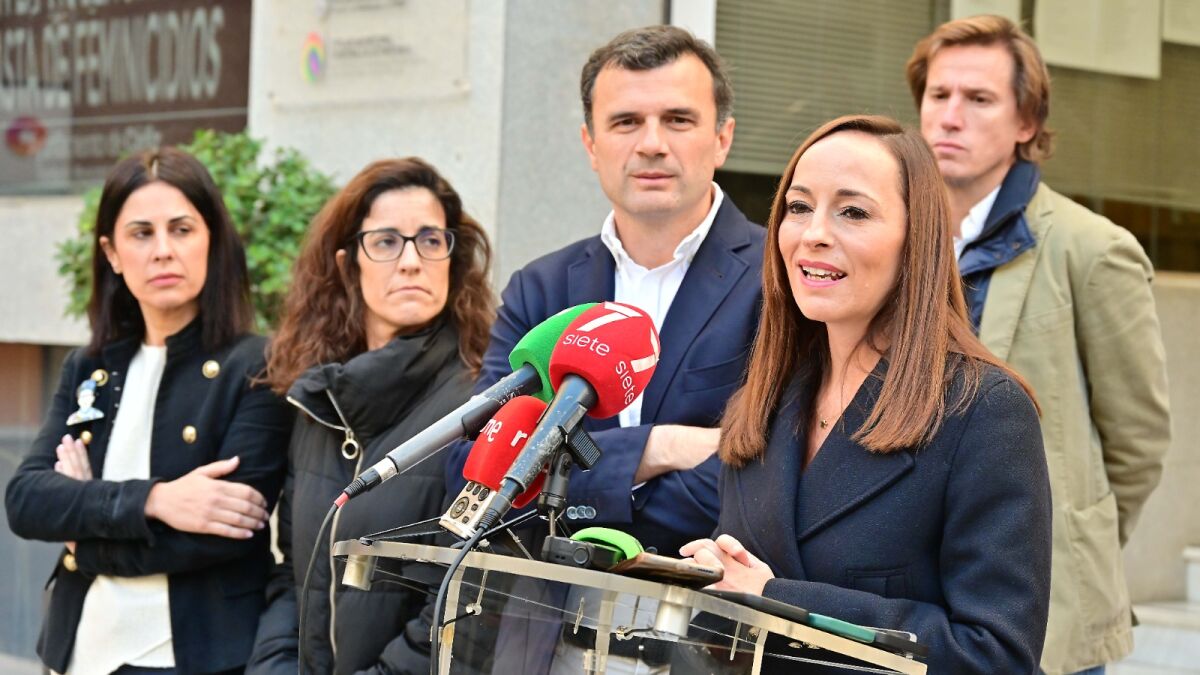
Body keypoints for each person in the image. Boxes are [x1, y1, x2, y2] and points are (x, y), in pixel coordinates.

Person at [680, 115, 1053, 673]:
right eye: (798, 207)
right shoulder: (766, 398)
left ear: (916, 240)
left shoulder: (984, 409)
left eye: (852, 212)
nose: (813, 233)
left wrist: (776, 600)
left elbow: (996, 653)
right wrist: (710, 582)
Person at [906, 16, 1171, 674]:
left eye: (979, 98)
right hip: (909, 594)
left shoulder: (1093, 249)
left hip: (1039, 610)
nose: (950, 117)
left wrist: (1065, 539)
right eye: (939, 95)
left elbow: (1136, 442)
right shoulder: (892, 238)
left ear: (1026, 122)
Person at [5, 147, 292, 674]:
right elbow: (27, 501)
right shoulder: (89, 368)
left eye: (181, 230)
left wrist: (85, 534)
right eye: (141, 233)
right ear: (112, 253)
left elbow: (223, 536)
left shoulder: (258, 366)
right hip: (79, 650)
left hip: (195, 657)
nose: (163, 251)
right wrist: (157, 500)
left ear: (212, 241)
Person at [246, 157, 495, 675]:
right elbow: (294, 573)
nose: (411, 262)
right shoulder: (318, 401)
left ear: (453, 259)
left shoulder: (481, 402)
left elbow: (468, 600)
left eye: (430, 240)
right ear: (347, 265)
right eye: (385, 242)